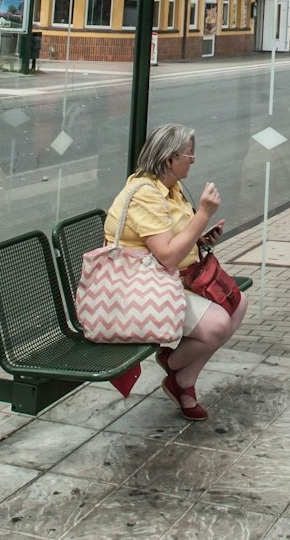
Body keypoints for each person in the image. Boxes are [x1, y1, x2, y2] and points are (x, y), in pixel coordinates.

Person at [104, 124, 245, 420]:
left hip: (169, 280)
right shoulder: (145, 195)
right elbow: (168, 257)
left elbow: (174, 239)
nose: (193, 160)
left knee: (238, 303)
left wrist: (200, 239)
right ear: (170, 159)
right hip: (140, 291)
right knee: (217, 325)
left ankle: (182, 379)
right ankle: (173, 364)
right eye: (189, 155)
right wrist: (203, 214)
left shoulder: (171, 188)